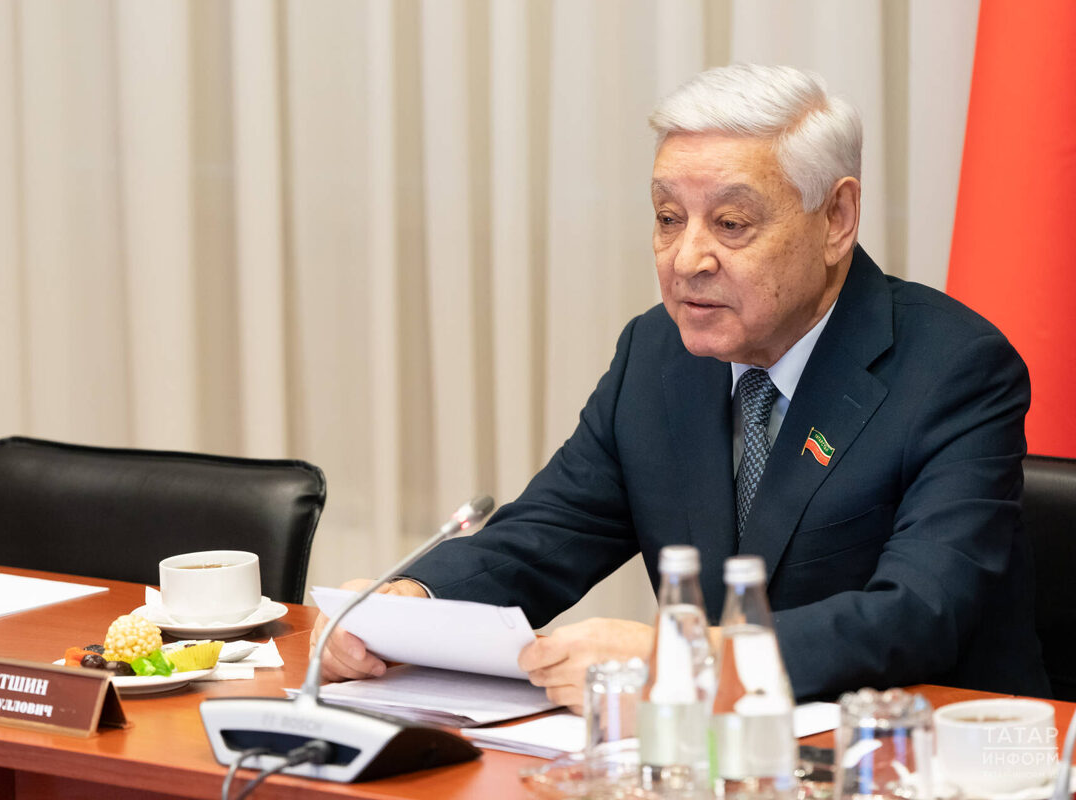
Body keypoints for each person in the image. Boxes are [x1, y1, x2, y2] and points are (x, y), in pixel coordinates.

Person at [311, 64, 1050, 707]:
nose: (686, 258)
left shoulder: (952, 368)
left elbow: (919, 612)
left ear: (837, 218)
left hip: (923, 756)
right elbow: (548, 534)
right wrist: (404, 608)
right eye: (668, 218)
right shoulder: (659, 353)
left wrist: (683, 661)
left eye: (731, 223)